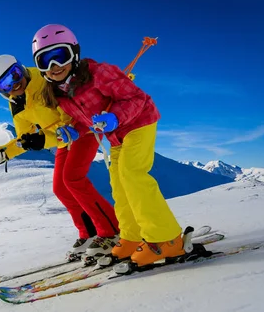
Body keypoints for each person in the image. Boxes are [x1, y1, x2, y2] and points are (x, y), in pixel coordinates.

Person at [31, 24, 184, 267]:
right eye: (45, 61)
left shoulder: (100, 73)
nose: (54, 66)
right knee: (118, 183)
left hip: (139, 122)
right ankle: (132, 237)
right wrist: (74, 131)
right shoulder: (60, 94)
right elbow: (87, 121)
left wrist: (114, 118)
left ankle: (167, 239)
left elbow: (136, 98)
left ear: (74, 54)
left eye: (59, 56)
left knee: (132, 174)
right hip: (115, 136)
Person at [0, 54, 119, 259]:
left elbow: (69, 110)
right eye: (4, 85)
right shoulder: (16, 103)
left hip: (82, 129)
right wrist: (6, 152)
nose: (13, 84)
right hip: (62, 138)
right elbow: (24, 138)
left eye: (14, 75)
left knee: (73, 178)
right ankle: (89, 233)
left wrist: (44, 140)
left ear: (21, 68)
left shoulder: (45, 78)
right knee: (60, 188)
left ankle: (112, 231)